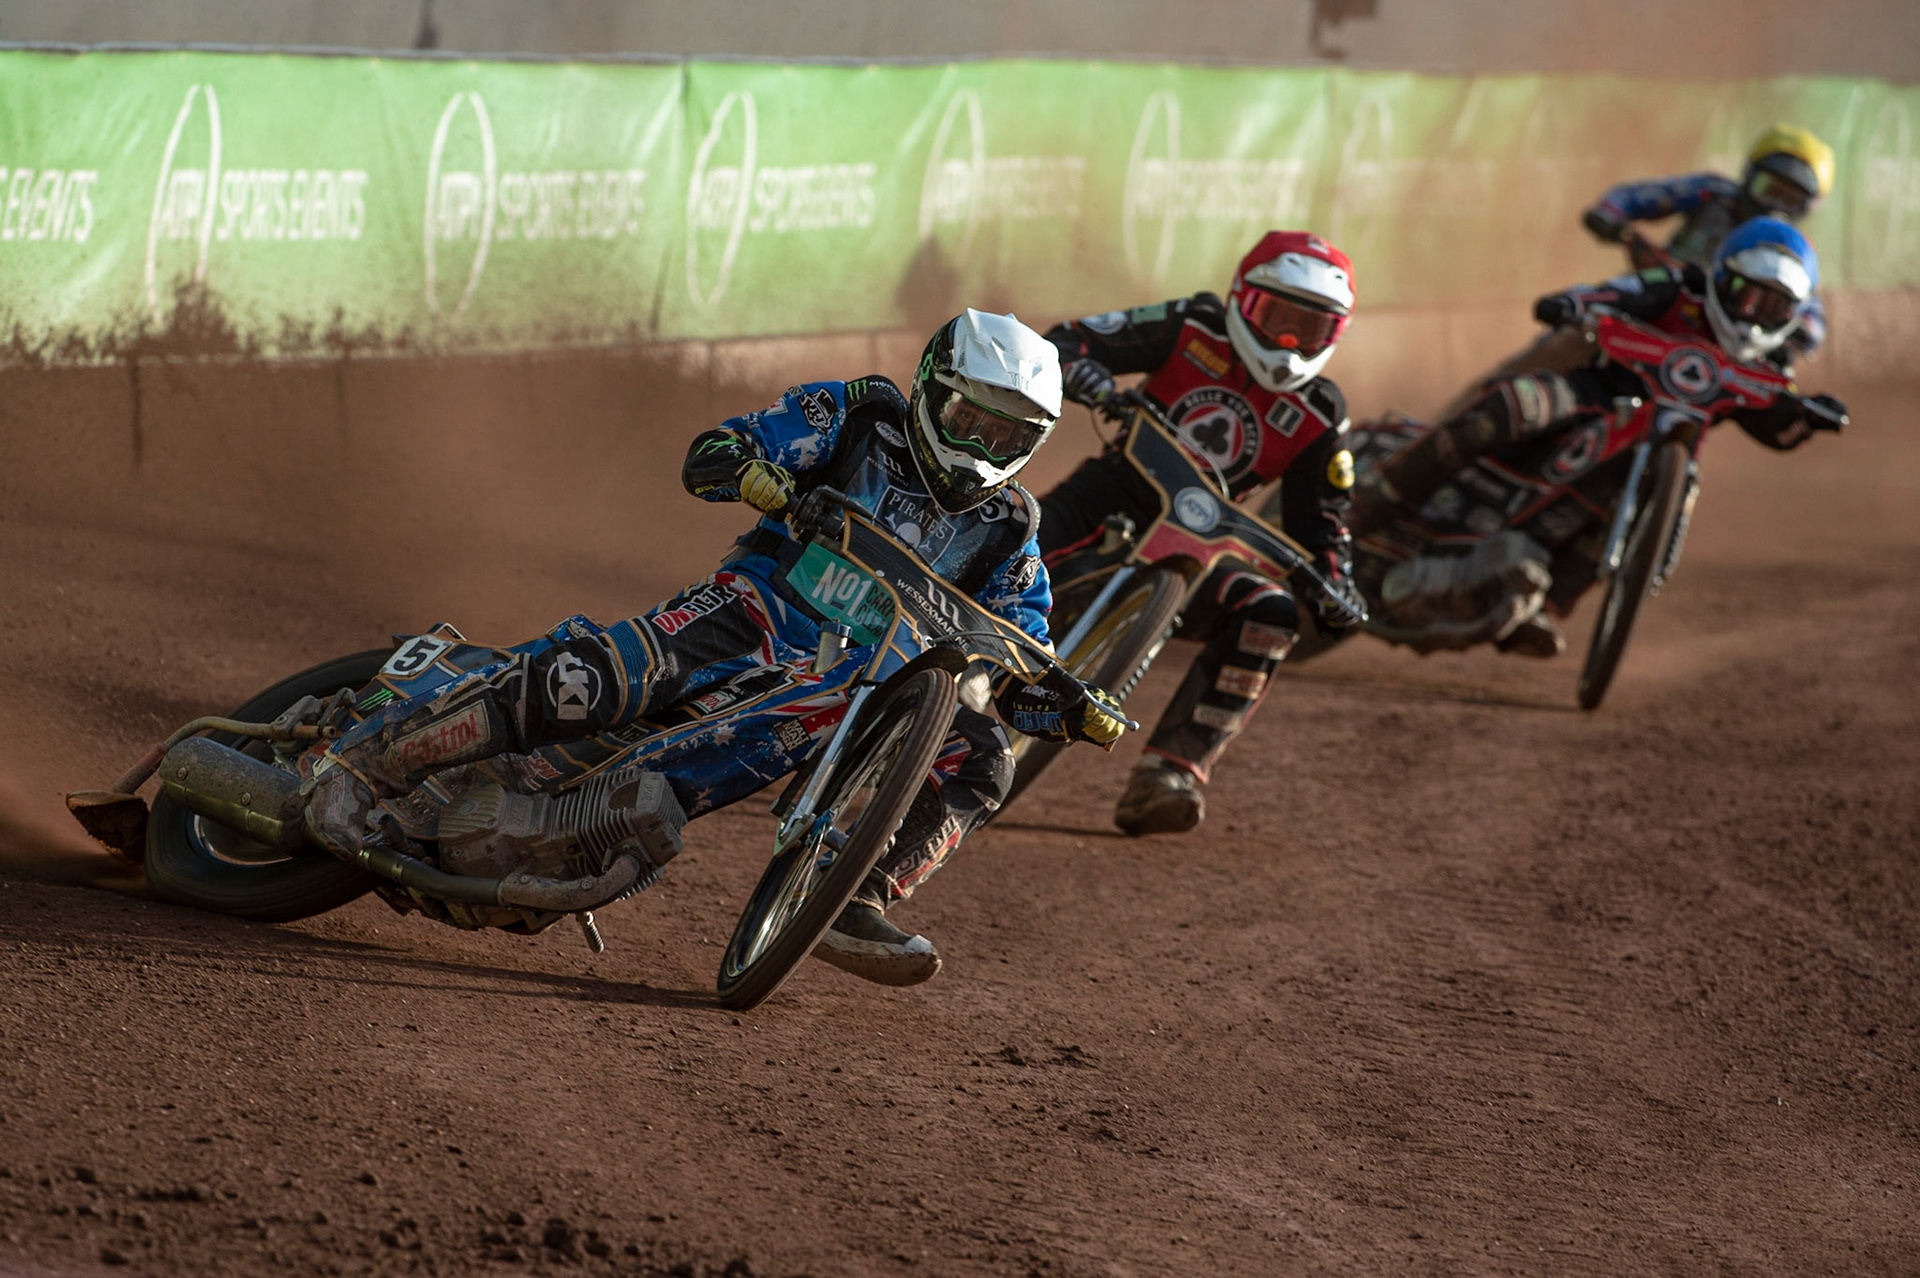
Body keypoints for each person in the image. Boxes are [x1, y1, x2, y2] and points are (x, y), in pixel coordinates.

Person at [304, 309, 1126, 988]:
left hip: (844, 691)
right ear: (929, 390)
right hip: (754, 610)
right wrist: (760, 476)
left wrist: (1070, 705)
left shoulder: (1010, 526)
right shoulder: (862, 415)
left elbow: (1021, 658)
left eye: (1005, 433)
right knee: (596, 683)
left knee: (984, 757)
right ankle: (368, 761)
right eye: (967, 418)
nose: (979, 444)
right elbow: (716, 453)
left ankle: (854, 895)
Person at [1349, 216, 1843, 656]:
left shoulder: (1771, 364)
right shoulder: (1676, 287)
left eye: (1775, 308)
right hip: (1592, 395)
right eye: (1749, 295)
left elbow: (1777, 426)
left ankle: (1542, 608)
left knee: (1622, 514)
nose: (1755, 315)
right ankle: (1379, 498)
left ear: (1794, 315)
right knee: (1513, 404)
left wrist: (1808, 416)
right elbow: (1615, 292)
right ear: (1722, 279)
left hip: (1652, 452)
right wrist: (1574, 302)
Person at [1035, 231, 1364, 835]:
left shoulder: (1321, 414)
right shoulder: (1195, 324)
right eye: (1278, 320)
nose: (1289, 343)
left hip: (1203, 550)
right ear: (1241, 299)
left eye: (1311, 330)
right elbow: (1071, 340)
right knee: (1002, 545)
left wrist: (1336, 585)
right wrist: (1087, 376)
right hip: (1110, 493)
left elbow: (1323, 526)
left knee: (1271, 611)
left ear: (1336, 335)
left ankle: (1168, 774)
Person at [1581, 123, 1835, 361]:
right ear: (1750, 175)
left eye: (1791, 200)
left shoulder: (1796, 248)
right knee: (1586, 324)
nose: (1775, 206)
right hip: (1661, 290)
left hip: (1729, 335)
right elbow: (1646, 194)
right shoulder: (1714, 193)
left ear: (1808, 207)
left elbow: (1809, 305)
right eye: (1769, 189)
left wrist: (1805, 330)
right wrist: (1610, 213)